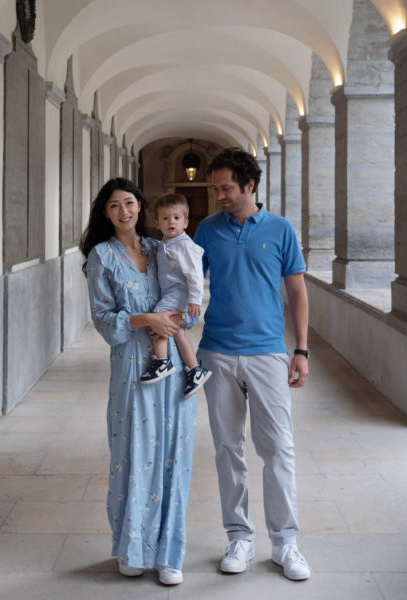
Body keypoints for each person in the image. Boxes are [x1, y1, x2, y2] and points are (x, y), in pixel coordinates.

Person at [194, 148, 311, 581]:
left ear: (249, 185)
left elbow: (297, 292)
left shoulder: (281, 229)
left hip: (267, 352)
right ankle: (239, 537)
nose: (220, 195)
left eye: (226, 187)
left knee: (278, 448)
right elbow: (189, 280)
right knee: (228, 448)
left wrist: (301, 350)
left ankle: (285, 543)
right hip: (217, 350)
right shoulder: (207, 229)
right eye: (215, 188)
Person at [80, 178, 196, 586]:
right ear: (106, 213)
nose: (124, 211)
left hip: (173, 366)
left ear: (141, 206)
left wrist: (178, 318)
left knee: (173, 457)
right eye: (114, 205)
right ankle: (132, 547)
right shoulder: (101, 256)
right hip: (132, 366)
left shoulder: (160, 247)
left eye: (129, 202)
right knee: (133, 453)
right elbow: (103, 319)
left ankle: (169, 554)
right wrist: (147, 319)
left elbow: (189, 300)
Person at [140, 193, 212, 397]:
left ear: (186, 222)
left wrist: (194, 300)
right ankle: (195, 370)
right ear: (157, 223)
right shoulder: (165, 243)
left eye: (176, 218)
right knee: (178, 332)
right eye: (165, 218)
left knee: (156, 320)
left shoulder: (184, 245)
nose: (171, 221)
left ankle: (162, 362)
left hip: (179, 293)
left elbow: (196, 275)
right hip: (172, 292)